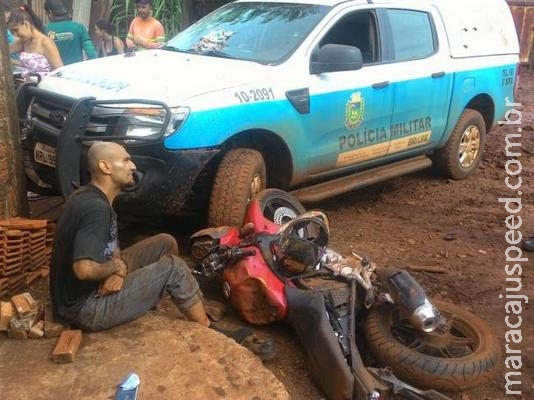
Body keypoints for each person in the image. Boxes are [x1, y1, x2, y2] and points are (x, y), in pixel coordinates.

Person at [49, 141, 272, 357]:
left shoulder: (91, 196)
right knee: (173, 268)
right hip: (85, 308)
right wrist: (117, 266)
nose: (133, 166)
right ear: (105, 167)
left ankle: (167, 294)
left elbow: (110, 244)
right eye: (126, 160)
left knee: (165, 242)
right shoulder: (96, 209)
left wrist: (118, 271)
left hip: (87, 291)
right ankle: (209, 329)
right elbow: (83, 269)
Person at [8, 4, 63, 79]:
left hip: (44, 88)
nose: (15, 34)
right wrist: (16, 63)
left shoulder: (46, 43)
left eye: (16, 30)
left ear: (26, 24)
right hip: (27, 87)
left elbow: (60, 72)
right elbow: (4, 52)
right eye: (12, 32)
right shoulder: (23, 42)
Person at [44, 0, 97, 65]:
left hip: (55, 73)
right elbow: (91, 53)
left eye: (46, 14)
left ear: (50, 12)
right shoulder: (80, 27)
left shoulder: (44, 30)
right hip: (75, 72)